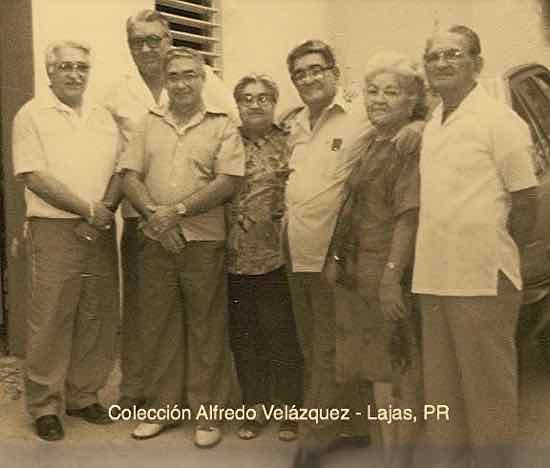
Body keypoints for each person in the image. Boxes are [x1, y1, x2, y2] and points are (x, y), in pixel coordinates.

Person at [283, 40, 422, 468]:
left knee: (351, 353)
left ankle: (319, 440)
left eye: (316, 69)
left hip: (363, 262)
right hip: (311, 255)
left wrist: (418, 123)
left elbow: (413, 105)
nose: (308, 78)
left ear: (335, 72)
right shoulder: (295, 124)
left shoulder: (370, 119)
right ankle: (358, 429)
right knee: (337, 350)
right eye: (300, 73)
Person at [413, 25, 539, 468]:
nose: (442, 64)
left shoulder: (499, 122)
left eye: (454, 54)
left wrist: (492, 248)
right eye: (434, 57)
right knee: (444, 398)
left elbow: (525, 201)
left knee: (488, 397)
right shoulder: (432, 123)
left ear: (477, 65)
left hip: (483, 280)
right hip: (433, 277)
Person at [103, 9, 237, 411]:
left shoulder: (209, 86)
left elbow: (228, 156)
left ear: (167, 41)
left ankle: (203, 406)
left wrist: (175, 213)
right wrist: (155, 218)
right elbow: (121, 164)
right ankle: (144, 396)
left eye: (153, 40)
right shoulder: (118, 93)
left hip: (200, 225)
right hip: (141, 220)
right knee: (150, 315)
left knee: (203, 319)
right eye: (137, 41)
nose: (146, 48)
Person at [12, 40, 122, 441]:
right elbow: (33, 175)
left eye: (81, 67)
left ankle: (82, 395)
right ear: (49, 72)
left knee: (96, 313)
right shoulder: (32, 115)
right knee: (51, 317)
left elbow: (120, 169)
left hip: (99, 229)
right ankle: (45, 404)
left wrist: (101, 211)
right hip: (55, 228)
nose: (75, 74)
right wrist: (87, 210)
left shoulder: (102, 117)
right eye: (65, 67)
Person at [327, 51, 426, 468]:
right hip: (357, 271)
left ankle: (401, 457)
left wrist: (390, 278)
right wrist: (334, 257)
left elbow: (409, 216)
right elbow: (349, 206)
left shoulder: (411, 143)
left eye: (392, 92)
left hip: (388, 271)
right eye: (373, 90)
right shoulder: (369, 142)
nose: (380, 99)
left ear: (411, 100)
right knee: (373, 370)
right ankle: (386, 452)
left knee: (398, 368)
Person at [227, 74, 303, 442]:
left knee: (280, 331)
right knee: (244, 333)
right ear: (237, 104)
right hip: (233, 255)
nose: (255, 104)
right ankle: (255, 406)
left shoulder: (291, 141)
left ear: (274, 103)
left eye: (263, 98)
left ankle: (289, 407)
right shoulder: (227, 141)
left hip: (278, 255)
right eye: (246, 98)